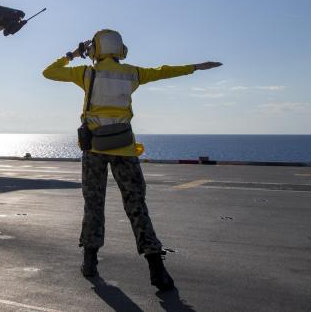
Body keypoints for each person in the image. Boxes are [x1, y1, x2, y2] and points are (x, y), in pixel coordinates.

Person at [42, 29, 221, 291]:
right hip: (124, 148)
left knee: (94, 204)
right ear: (120, 50)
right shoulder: (132, 74)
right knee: (136, 206)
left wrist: (73, 53)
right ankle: (156, 269)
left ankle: (90, 262)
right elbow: (163, 71)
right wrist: (195, 66)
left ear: (96, 49)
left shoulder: (86, 73)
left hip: (94, 149)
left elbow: (49, 72)